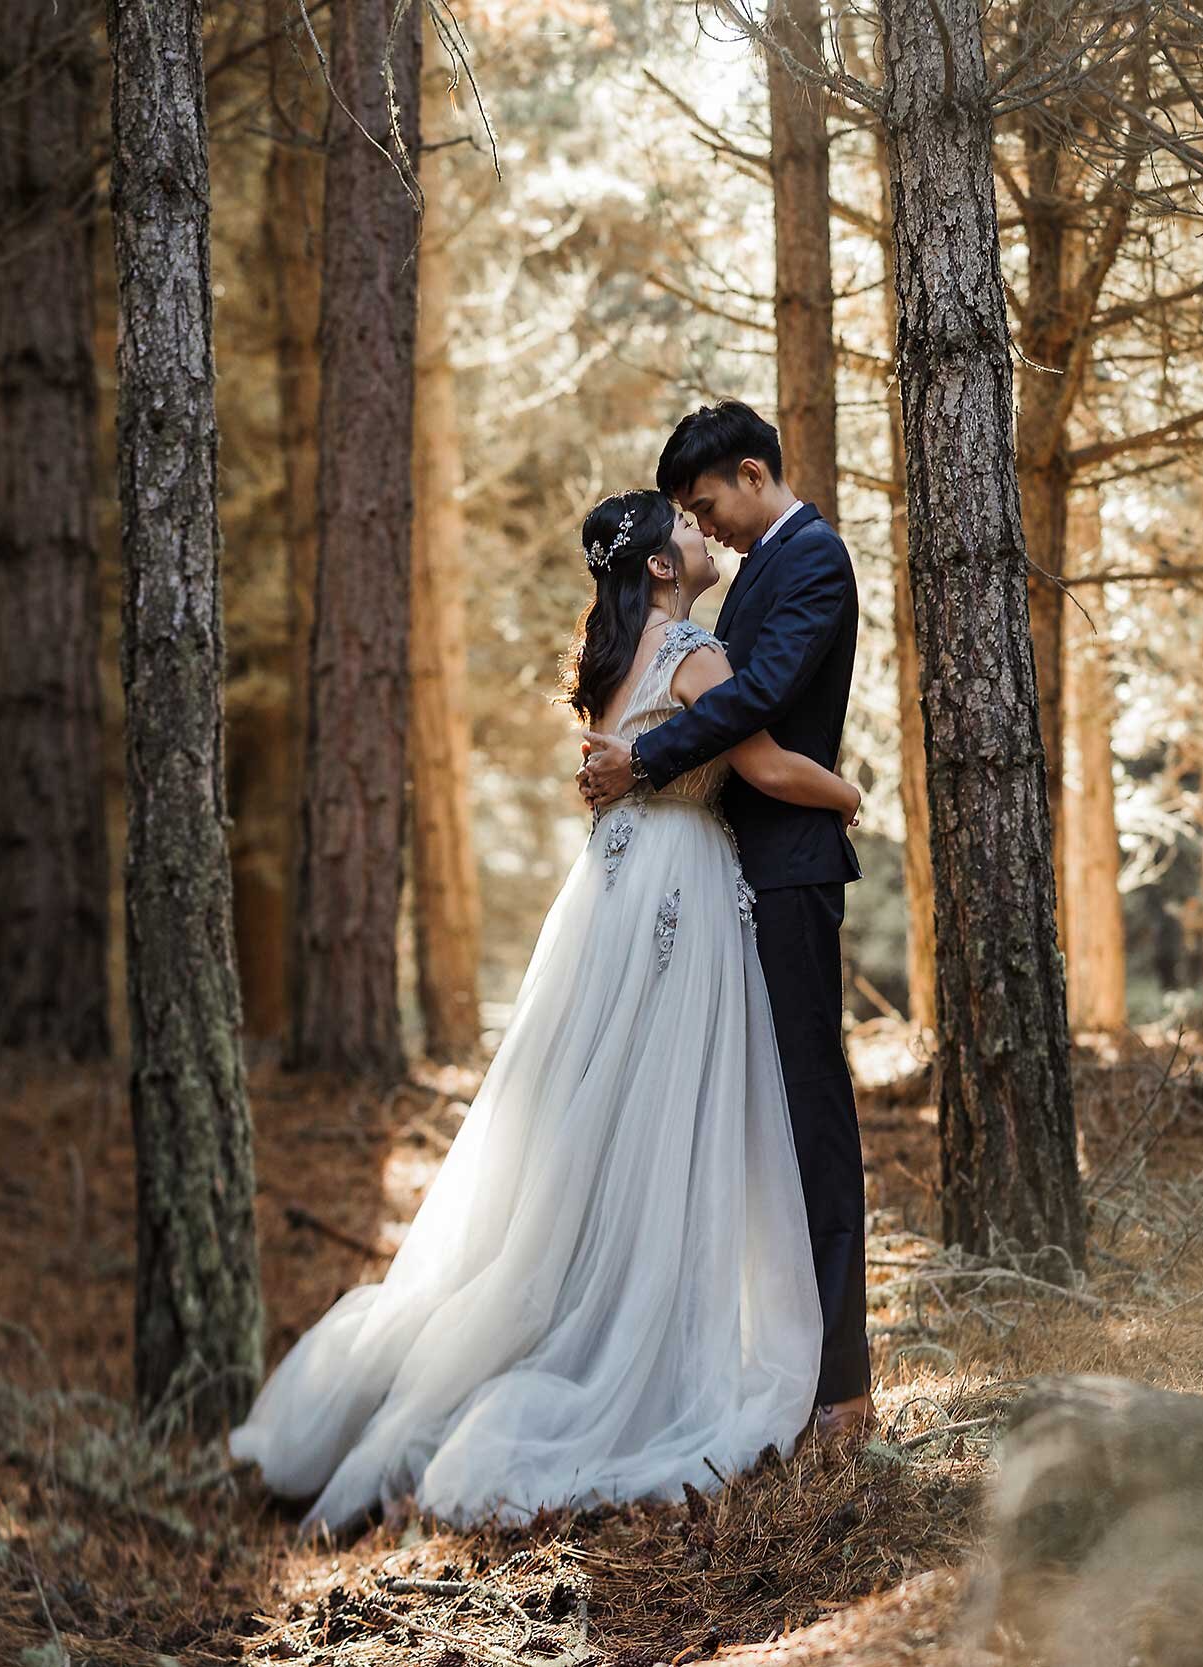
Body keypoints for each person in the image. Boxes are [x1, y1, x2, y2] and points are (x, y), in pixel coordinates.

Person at [227, 489, 861, 1532]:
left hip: (611, 889)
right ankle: (634, 1339)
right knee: (665, 1119)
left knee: (591, 1116)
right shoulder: (695, 653)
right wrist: (846, 795)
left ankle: (545, 1320)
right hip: (679, 891)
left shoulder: (611, 661)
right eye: (686, 529)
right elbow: (762, 765)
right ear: (660, 565)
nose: (703, 535)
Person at [577, 401, 873, 1443]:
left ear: (754, 473)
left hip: (784, 873)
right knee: (738, 1129)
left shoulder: (814, 560)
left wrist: (644, 758)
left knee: (808, 1122)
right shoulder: (746, 578)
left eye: (709, 504)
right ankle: (752, 1357)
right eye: (690, 517)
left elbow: (764, 697)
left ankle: (841, 1385)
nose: (709, 525)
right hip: (721, 878)